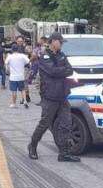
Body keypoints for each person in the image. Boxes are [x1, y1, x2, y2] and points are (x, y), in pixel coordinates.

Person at [28, 32, 80, 162]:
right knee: (44, 124)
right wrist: (61, 71)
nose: (62, 44)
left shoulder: (61, 55)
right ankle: (32, 145)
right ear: (53, 42)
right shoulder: (45, 56)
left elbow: (70, 70)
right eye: (60, 42)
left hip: (62, 95)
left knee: (66, 124)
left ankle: (64, 153)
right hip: (50, 96)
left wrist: (60, 71)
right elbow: (52, 71)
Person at [5, 44, 30, 108]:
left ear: (12, 49)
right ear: (18, 49)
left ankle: (13, 103)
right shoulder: (22, 56)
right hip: (21, 76)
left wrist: (8, 70)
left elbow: (6, 64)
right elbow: (28, 62)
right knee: (22, 90)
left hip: (13, 77)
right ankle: (25, 101)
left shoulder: (10, 56)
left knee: (14, 91)